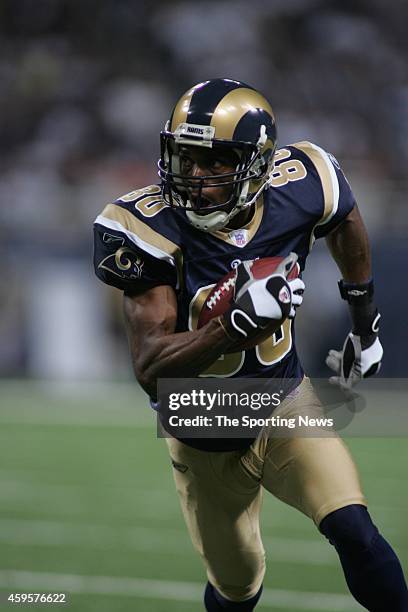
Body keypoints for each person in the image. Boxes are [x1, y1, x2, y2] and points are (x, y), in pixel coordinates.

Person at [93, 78, 408, 611]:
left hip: (284, 402)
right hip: (202, 427)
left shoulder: (304, 180)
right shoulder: (143, 226)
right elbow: (150, 366)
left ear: (257, 166)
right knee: (237, 586)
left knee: (354, 528)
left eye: (214, 163)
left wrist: (363, 319)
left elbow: (346, 217)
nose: (194, 176)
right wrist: (231, 325)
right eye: (185, 157)